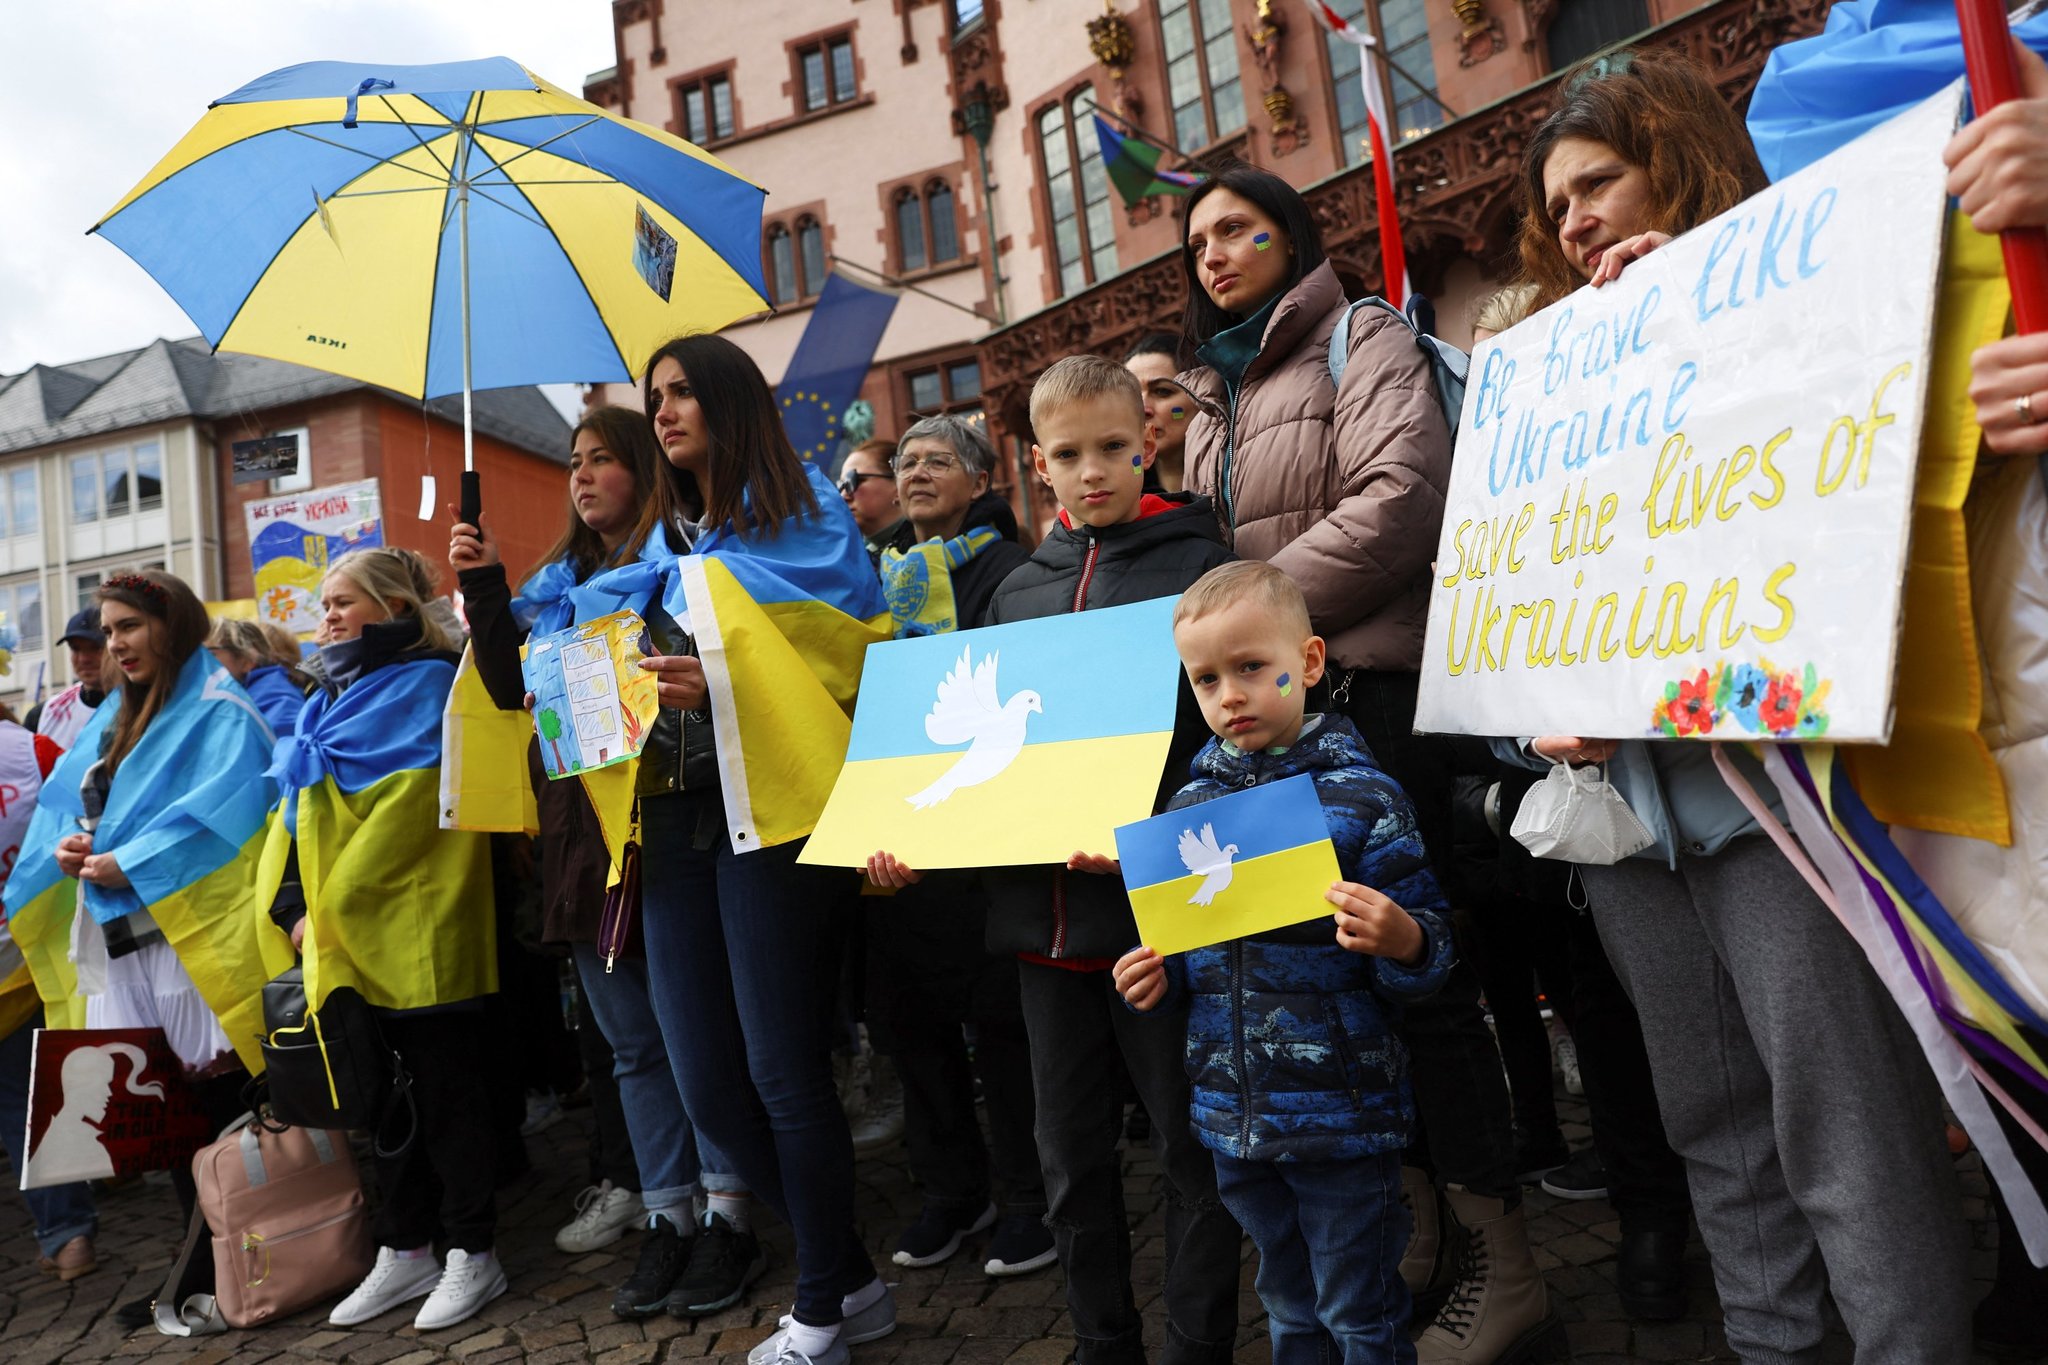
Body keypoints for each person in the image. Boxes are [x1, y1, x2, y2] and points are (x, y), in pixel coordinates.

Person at [1510, 48, 1971, 1362]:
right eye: (1556, 205)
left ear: (1677, 161)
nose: (1574, 218)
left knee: (1849, 1130)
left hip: (1772, 804)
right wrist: (1531, 714)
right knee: (1711, 1128)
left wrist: (1718, 326)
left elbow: (1862, 478)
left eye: (1597, 182)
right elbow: (1518, 589)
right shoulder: (1552, 381)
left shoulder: (1807, 295)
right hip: (1628, 829)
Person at [1176, 161, 1555, 1364]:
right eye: (1197, 241)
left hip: (1368, 704)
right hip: (1262, 727)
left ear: (1290, 236)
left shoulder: (1362, 335)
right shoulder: (1208, 395)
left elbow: (1400, 499)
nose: (1213, 253)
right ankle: (1404, 1235)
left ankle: (1501, 1267)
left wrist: (1254, 625)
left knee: (1423, 987)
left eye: (1238, 229)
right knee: (1322, 983)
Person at [874, 355, 1242, 1365]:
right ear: (1038, 464)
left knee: (1188, 1145)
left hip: (1158, 919)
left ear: (1148, 445)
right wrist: (915, 844)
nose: (1093, 471)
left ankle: (1197, 1345)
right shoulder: (1016, 592)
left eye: (1113, 448)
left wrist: (1153, 839)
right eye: (1069, 454)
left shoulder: (1199, 569)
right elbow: (983, 767)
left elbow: (1230, 744)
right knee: (1068, 1158)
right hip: (1042, 933)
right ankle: (1100, 1342)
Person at [451, 404, 759, 1320]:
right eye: (573, 462)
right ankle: (668, 1214)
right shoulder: (556, 587)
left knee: (699, 1034)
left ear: (644, 468)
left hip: (668, 830)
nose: (581, 476)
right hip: (583, 840)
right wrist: (483, 583)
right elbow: (509, 688)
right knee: (632, 1045)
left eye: (601, 459)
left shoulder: (683, 566)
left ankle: (729, 1211)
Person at [1113, 561, 1454, 1365]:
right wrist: (1156, 979)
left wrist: (1405, 938)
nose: (1229, 694)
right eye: (1206, 678)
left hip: (1343, 1116)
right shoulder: (1188, 807)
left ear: (1307, 662)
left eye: (1250, 667)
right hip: (1235, 1116)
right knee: (1288, 1305)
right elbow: (1192, 955)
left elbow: (1433, 950)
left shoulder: (1365, 798)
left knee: (1359, 1312)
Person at [636, 334, 893, 1365]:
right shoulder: (657, 548)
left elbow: (853, 659)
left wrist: (725, 679)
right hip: (670, 822)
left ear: (731, 402)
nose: (664, 411)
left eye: (683, 392)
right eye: (654, 397)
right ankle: (853, 1278)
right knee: (706, 1084)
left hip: (776, 815)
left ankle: (822, 1305)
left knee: (783, 1071)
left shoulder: (810, 517)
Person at [3, 570, 278, 1330]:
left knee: (222, 1105)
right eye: (108, 629)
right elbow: (85, 805)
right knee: (177, 1113)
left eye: (129, 626)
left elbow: (231, 808)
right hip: (132, 939)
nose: (115, 643)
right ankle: (203, 1261)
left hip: (194, 938)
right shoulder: (116, 718)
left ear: (172, 625)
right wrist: (74, 847)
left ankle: (249, 1259)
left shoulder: (220, 708)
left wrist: (133, 860)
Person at [265, 547, 505, 1333]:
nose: (328, 615)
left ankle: (473, 1248)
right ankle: (405, 1246)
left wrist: (327, 907)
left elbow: (411, 808)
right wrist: (293, 904)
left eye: (344, 601)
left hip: (418, 927)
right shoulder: (329, 694)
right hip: (347, 934)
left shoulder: (429, 683)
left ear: (395, 606)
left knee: (448, 1097)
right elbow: (300, 812)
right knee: (384, 1102)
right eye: (325, 603)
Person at [862, 414, 1051, 1276]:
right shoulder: (875, 578)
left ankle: (1028, 1197)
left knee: (1002, 1025)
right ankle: (952, 1191)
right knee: (912, 1020)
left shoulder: (1012, 570)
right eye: (906, 461)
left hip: (990, 837)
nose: (917, 472)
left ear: (980, 481)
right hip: (902, 834)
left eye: (939, 459)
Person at [0, 702, 96, 1284]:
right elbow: (84, 814)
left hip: (21, 963)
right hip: (20, 956)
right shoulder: (31, 752)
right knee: (29, 1100)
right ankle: (67, 1234)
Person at [24, 609, 110, 750]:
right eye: (75, 649)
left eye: (95, 648)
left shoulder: (141, 706)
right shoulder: (43, 715)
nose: (83, 659)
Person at [205, 616, 306, 735]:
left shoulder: (277, 698)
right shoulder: (245, 693)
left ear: (246, 660)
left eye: (210, 654)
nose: (201, 663)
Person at [1125, 333, 1195, 493]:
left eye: (1162, 391)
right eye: (1130, 396)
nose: (1143, 410)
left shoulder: (1236, 476)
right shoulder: (1117, 501)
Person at [838, 438, 903, 556]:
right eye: (841, 485)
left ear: (899, 483)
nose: (844, 496)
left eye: (855, 480)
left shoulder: (930, 548)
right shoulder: (854, 560)